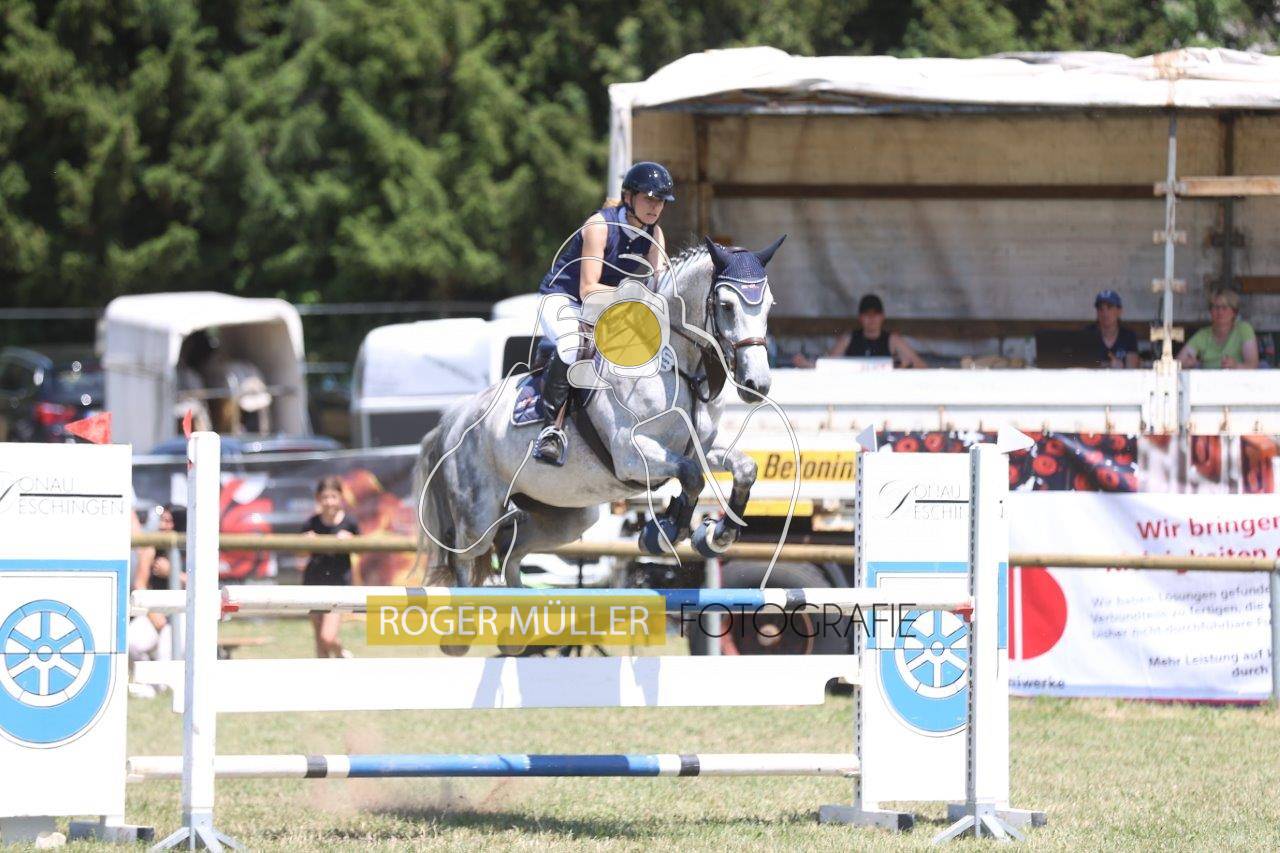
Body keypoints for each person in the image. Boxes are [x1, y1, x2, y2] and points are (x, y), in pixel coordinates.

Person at [532, 161, 674, 465]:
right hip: (564, 299)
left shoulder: (655, 234)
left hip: (608, 306)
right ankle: (551, 430)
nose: (655, 207)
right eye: (649, 199)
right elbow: (588, 289)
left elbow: (660, 285)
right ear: (629, 197)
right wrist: (635, 296)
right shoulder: (599, 226)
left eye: (661, 201)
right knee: (574, 344)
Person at [301, 476, 360, 658]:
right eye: (325, 497)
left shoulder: (349, 523)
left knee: (327, 637)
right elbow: (299, 554)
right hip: (313, 581)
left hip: (338, 584)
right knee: (320, 640)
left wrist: (350, 540)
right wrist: (306, 542)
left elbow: (362, 549)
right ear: (318, 499)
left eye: (333, 497)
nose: (329, 502)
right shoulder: (311, 523)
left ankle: (341, 654)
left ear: (340, 497)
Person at [792, 293, 926, 368]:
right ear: (860, 318)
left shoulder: (892, 340)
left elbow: (922, 367)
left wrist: (904, 365)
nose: (871, 319)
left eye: (875, 314)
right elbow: (828, 365)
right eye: (867, 314)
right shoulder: (849, 339)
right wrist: (807, 364)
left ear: (882, 316)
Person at [1178, 289, 1259, 370]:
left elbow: (1252, 365)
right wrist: (1186, 364)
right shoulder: (1203, 335)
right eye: (1216, 307)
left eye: (1224, 307)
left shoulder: (1244, 329)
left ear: (1234, 312)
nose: (1220, 312)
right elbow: (1178, 362)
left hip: (1237, 378)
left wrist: (1236, 366)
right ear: (1210, 311)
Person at [1085, 290, 1140, 368]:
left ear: (1119, 311)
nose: (1105, 313)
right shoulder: (1087, 334)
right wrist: (1108, 365)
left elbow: (1132, 367)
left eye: (1109, 307)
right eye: (1100, 308)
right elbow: (1081, 365)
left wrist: (1121, 368)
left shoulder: (1128, 336)